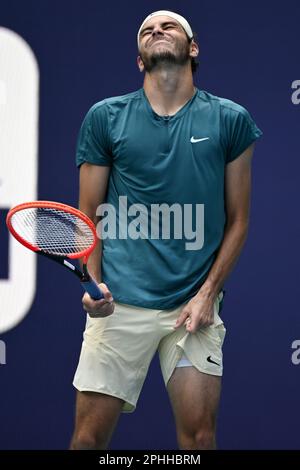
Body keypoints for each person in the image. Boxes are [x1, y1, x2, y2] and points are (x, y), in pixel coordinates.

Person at [70, 10, 262, 450]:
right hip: (119, 303)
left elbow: (239, 221)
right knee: (86, 440)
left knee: (199, 440)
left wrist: (207, 293)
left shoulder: (230, 120)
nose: (156, 31)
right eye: (146, 31)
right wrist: (95, 285)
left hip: (192, 307)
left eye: (168, 26)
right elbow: (88, 214)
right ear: (140, 60)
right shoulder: (105, 118)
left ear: (192, 49)